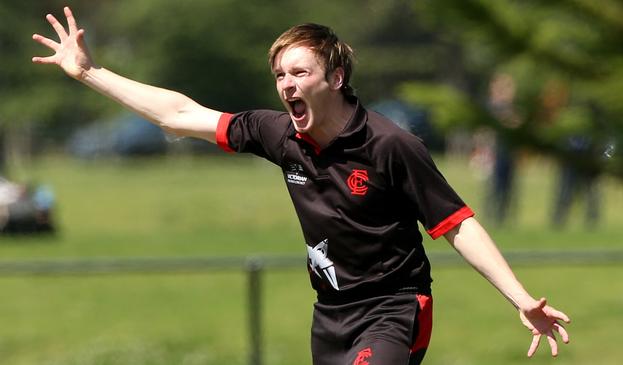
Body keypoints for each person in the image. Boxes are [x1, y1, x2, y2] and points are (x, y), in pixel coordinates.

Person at [32, 7, 570, 365]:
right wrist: (88, 72)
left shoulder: (390, 145)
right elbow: (178, 114)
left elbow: (458, 225)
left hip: (394, 309)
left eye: (299, 73)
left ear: (335, 78)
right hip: (330, 318)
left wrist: (520, 298)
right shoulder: (278, 133)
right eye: (280, 76)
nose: (287, 85)